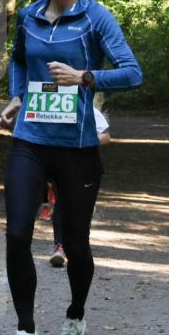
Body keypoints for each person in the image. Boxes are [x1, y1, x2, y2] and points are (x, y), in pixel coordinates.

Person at [0, 0, 142, 335]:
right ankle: (25, 332)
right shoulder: (29, 16)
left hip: (77, 148)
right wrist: (17, 96)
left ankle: (75, 315)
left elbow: (133, 73)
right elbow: (20, 61)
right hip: (30, 141)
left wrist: (86, 77)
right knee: (18, 233)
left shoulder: (97, 18)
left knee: (75, 243)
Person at [47, 107, 110, 267]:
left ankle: (79, 246)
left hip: (85, 166)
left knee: (79, 207)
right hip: (59, 165)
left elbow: (106, 137)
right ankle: (59, 247)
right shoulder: (52, 109)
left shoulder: (88, 108)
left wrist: (84, 141)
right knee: (60, 201)